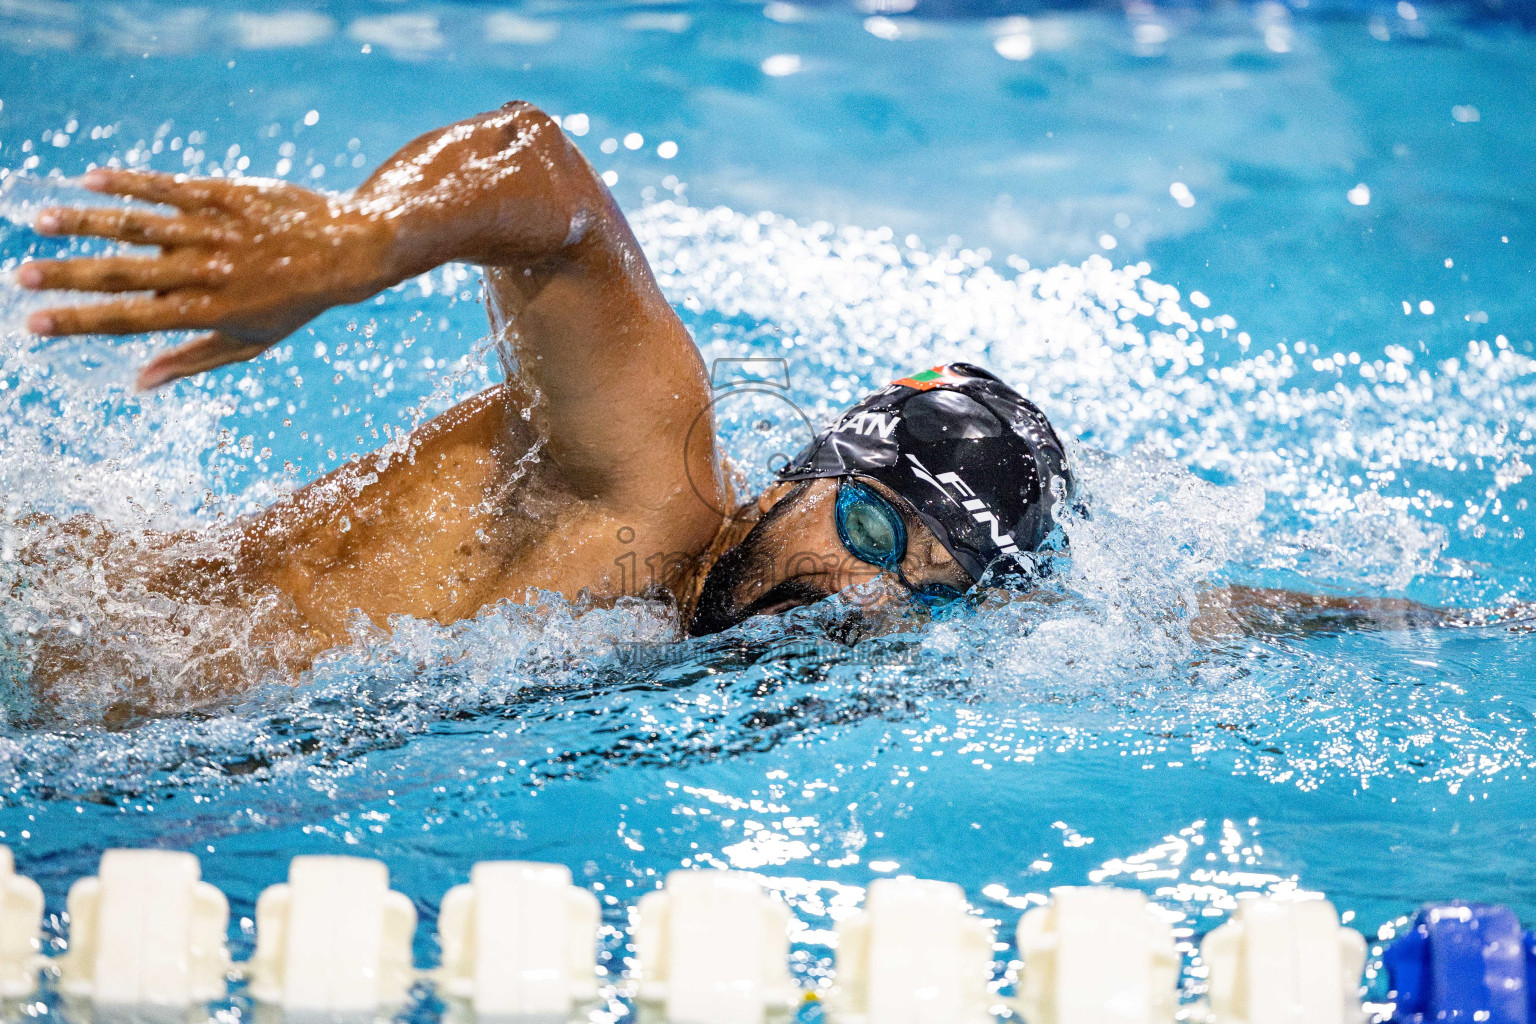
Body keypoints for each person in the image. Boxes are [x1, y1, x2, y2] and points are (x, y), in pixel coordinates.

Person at [12, 101, 1447, 702]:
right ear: (817, 470)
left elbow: (1166, 611)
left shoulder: (754, 633)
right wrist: (349, 248)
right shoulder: (647, 480)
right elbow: (542, 180)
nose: (866, 603)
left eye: (930, 598)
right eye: (877, 538)